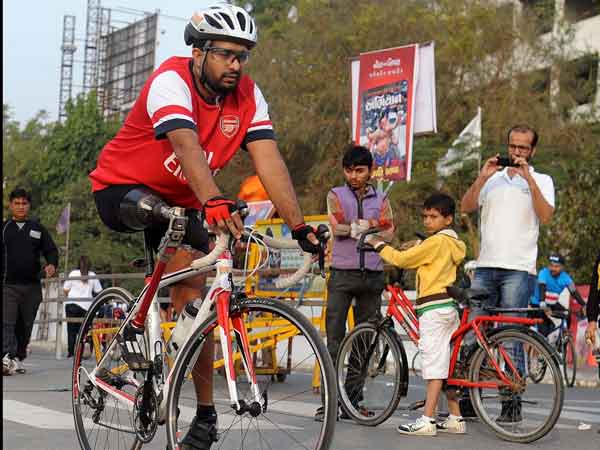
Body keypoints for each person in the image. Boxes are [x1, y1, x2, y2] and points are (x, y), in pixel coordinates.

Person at [88, 5, 321, 449]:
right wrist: (213, 200)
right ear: (198, 52)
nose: (235, 64)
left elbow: (269, 159)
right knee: (164, 219)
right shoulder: (170, 81)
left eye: (242, 56)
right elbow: (185, 144)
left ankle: (205, 412)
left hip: (183, 199)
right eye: (225, 54)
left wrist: (299, 226)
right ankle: (135, 326)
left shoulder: (248, 95)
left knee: (198, 300)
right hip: (123, 190)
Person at [459, 124, 555, 421]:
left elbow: (546, 216)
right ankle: (468, 400)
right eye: (513, 146)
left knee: (512, 338)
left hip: (519, 269)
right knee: (474, 334)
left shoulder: (542, 179)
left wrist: (528, 179)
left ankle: (511, 405)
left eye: (523, 148)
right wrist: (483, 176)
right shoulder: (493, 179)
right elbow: (465, 206)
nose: (516, 152)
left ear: (532, 150)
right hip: (486, 266)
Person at [364, 193, 466, 436]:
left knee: (433, 366)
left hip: (433, 309)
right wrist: (420, 245)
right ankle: (455, 417)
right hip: (448, 307)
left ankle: (427, 420)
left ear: (448, 219)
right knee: (446, 364)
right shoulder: (452, 243)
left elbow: (402, 259)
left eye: (434, 217)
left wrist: (377, 244)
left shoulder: (436, 242)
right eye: (425, 216)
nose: (428, 221)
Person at [314, 144, 395, 421]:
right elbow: (337, 227)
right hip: (341, 274)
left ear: (371, 171)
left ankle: (352, 401)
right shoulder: (335, 194)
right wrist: (371, 225)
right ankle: (329, 403)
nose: (354, 176)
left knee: (364, 341)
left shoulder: (382, 198)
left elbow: (390, 231)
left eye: (360, 170)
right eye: (349, 171)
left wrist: (358, 226)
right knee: (334, 341)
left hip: (372, 274)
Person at [2, 187, 59, 375]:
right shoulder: (4, 228)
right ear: (10, 205)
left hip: (32, 286)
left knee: (25, 324)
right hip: (8, 285)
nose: (20, 207)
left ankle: (17, 357)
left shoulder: (37, 229)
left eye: (24, 203)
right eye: (17, 203)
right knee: (7, 322)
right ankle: (6, 357)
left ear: (29, 205)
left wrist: (52, 264)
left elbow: (51, 250)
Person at [531, 253, 587, 338]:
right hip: (538, 304)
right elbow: (542, 287)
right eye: (551, 265)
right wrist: (542, 302)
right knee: (545, 329)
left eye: (556, 266)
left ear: (562, 267)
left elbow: (574, 292)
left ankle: (565, 336)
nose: (553, 268)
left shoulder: (566, 277)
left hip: (552, 304)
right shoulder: (544, 272)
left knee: (567, 314)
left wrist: (584, 305)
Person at [63, 256, 103, 358]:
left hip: (71, 305)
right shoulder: (92, 275)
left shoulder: (73, 273)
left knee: (71, 330)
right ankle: (83, 350)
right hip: (86, 307)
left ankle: (71, 352)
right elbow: (99, 292)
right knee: (84, 330)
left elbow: (65, 290)